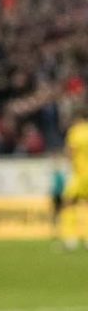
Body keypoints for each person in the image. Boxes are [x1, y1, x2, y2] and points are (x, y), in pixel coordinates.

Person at [61, 105, 88, 250]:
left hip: (80, 174)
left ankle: (70, 239)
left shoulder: (75, 131)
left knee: (68, 203)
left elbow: (70, 152)